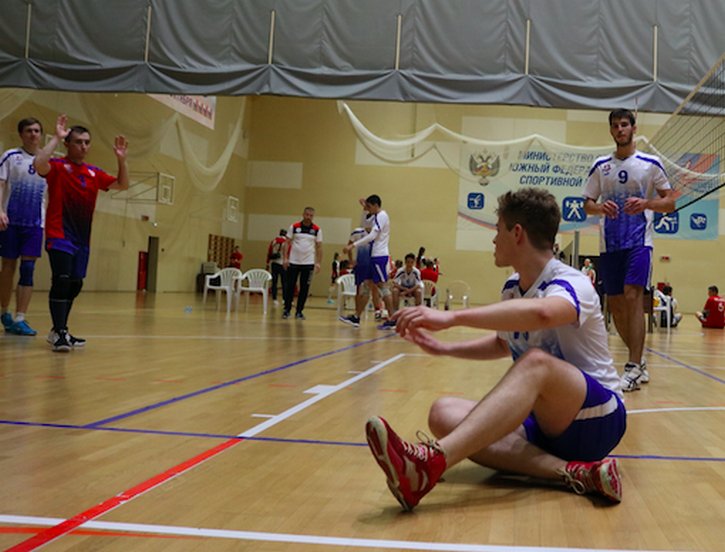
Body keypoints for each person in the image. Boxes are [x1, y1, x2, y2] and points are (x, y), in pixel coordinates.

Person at [365, 188, 625, 512]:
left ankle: (430, 463)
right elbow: (504, 343)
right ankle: (574, 473)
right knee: (443, 413)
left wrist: (452, 318)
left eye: (498, 229)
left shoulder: (572, 282)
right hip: (545, 425)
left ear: (517, 233)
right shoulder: (512, 287)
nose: (493, 239)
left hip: (598, 418)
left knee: (536, 362)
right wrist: (446, 349)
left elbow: (544, 314)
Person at [583, 108, 675, 392]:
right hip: (609, 244)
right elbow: (587, 204)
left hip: (639, 243)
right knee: (616, 304)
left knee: (633, 296)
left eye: (624, 124)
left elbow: (670, 202)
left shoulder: (650, 164)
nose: (620, 129)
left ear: (634, 128)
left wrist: (647, 204)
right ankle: (640, 361)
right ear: (611, 130)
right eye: (615, 125)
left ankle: (633, 366)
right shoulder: (601, 165)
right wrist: (601, 207)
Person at [34, 114, 129, 352]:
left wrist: (121, 160)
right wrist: (56, 137)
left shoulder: (93, 173)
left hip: (82, 239)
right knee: (62, 280)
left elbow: (122, 184)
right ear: (68, 144)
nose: (83, 146)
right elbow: (38, 164)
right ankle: (60, 332)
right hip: (59, 234)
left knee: (75, 284)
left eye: (87, 142)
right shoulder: (57, 167)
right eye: (78, 142)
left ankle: (60, 330)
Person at [0, 117, 46, 336]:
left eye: (37, 130)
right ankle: (4, 312)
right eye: (29, 130)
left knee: (28, 269)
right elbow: (1, 184)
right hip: (10, 222)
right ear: (21, 134)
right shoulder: (10, 156)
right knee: (8, 267)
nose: (33, 134)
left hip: (35, 223)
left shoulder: (47, 161)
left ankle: (20, 317)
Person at [341, 194, 394, 329]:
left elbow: (372, 235)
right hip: (372, 256)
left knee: (383, 286)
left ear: (376, 205)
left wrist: (353, 245)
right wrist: (364, 208)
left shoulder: (382, 216)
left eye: (369, 207)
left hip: (379, 256)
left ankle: (393, 319)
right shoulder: (375, 216)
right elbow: (364, 224)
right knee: (366, 285)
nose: (368, 209)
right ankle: (356, 317)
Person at [282, 207, 322, 320]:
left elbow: (319, 247)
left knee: (304, 288)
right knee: (290, 286)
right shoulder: (294, 227)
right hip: (293, 262)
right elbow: (287, 243)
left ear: (313, 216)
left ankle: (299, 311)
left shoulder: (317, 229)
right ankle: (287, 310)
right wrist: (285, 258)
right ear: (303, 214)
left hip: (308, 263)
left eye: (311, 215)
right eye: (307, 215)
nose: (308, 217)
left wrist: (318, 263)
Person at [266, 228, 287, 305]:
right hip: (282, 263)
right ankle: (284, 299)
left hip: (274, 263)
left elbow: (269, 252)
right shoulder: (286, 242)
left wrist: (267, 263)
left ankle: (274, 298)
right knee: (284, 282)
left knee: (274, 282)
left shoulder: (274, 241)